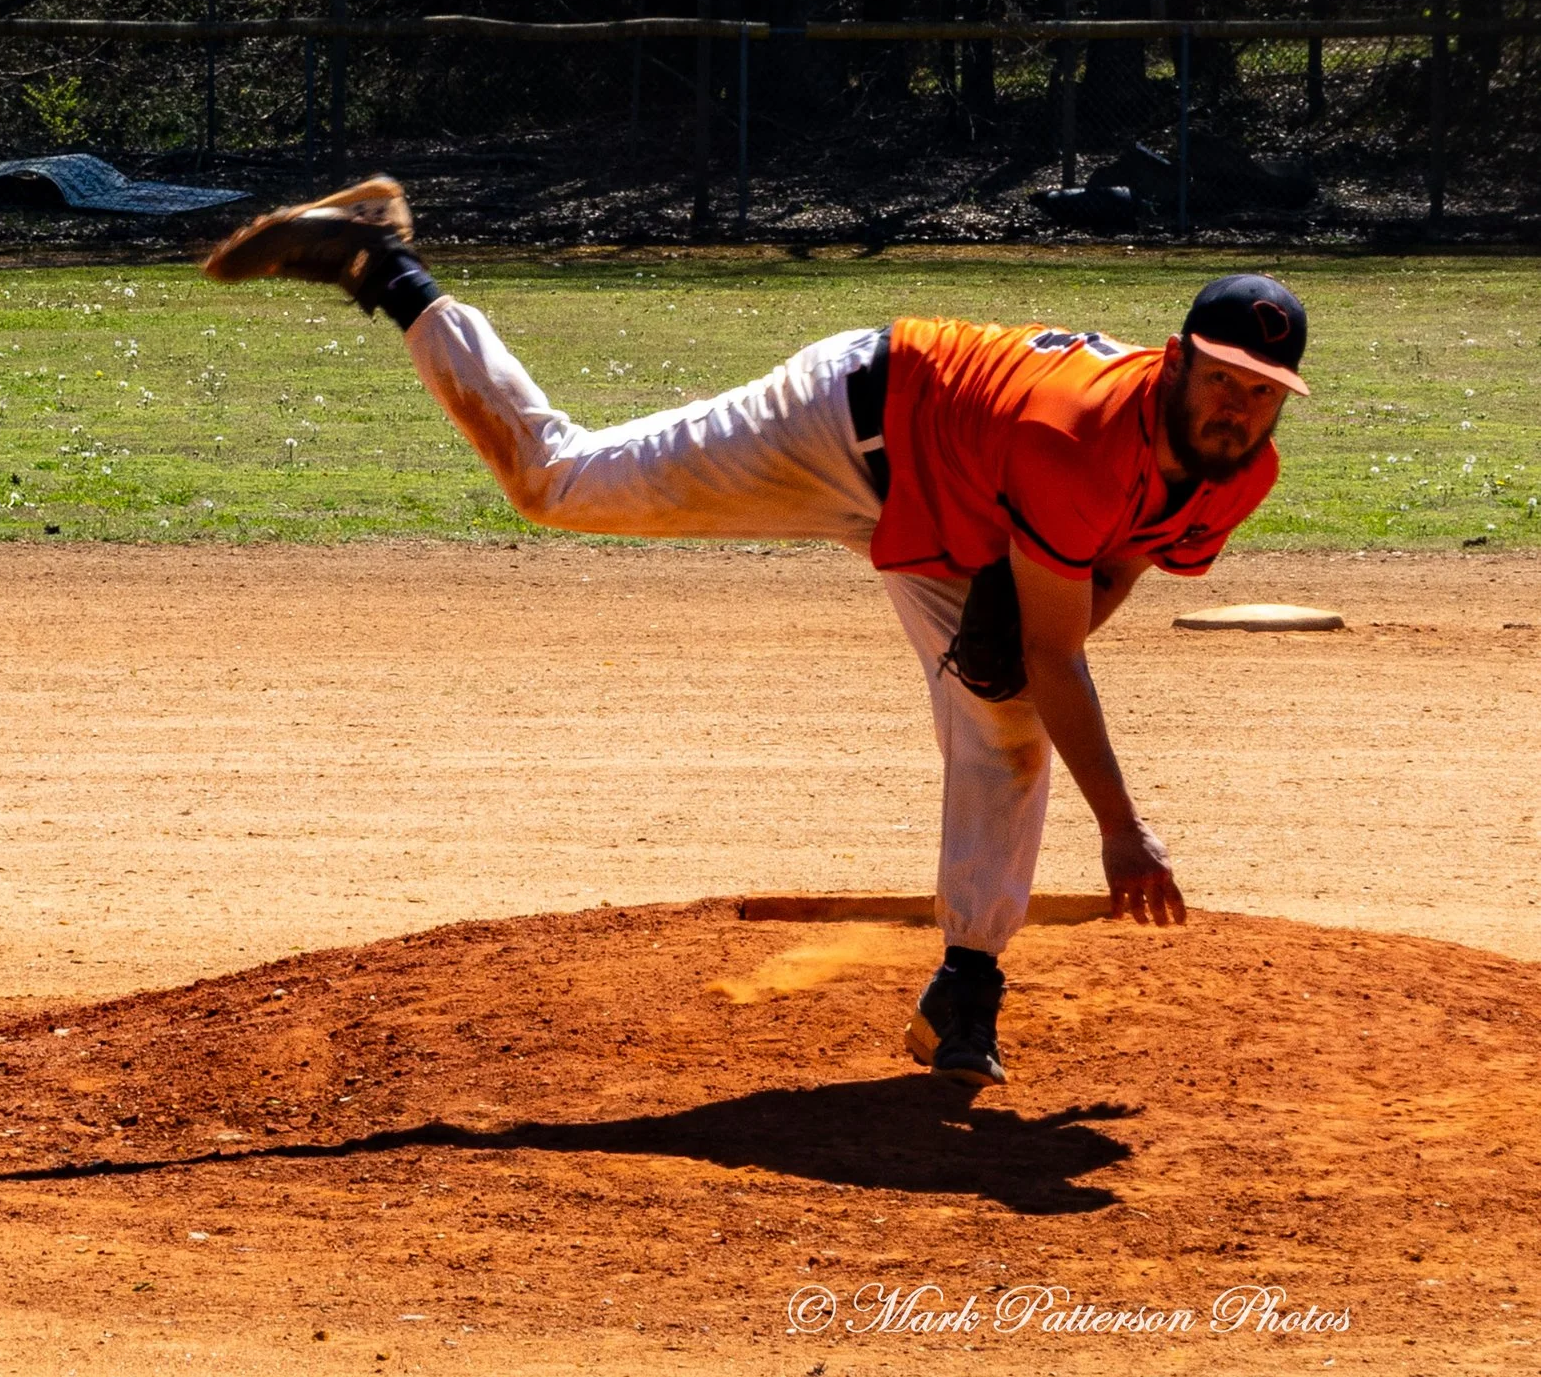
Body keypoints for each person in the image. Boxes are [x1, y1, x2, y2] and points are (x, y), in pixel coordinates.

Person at [203, 177, 1310, 1088]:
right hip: (841, 424)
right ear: (1174, 364)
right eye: (1222, 381)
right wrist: (1122, 826)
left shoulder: (1237, 469)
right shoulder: (1075, 433)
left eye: (1262, 394)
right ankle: (384, 262)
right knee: (553, 481)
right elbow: (1065, 643)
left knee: (1010, 723)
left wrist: (1017, 641)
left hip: (962, 513)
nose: (1238, 409)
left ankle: (964, 987)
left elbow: (1115, 563)